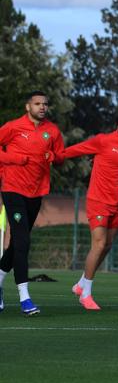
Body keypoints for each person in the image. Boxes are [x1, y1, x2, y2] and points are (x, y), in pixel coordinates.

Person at [60, 110, 118, 311]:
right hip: (98, 201)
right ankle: (86, 294)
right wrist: (52, 156)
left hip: (117, 203)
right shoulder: (102, 141)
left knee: (107, 245)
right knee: (99, 243)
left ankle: (80, 284)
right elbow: (75, 150)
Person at [0, 91, 65, 316]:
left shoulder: (53, 131)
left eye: (45, 104)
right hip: (12, 190)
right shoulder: (13, 127)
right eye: (37, 104)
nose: (42, 107)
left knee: (18, 243)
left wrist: (54, 158)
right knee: (23, 242)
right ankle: (25, 299)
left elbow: (61, 155)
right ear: (28, 106)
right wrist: (14, 159)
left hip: (36, 192)